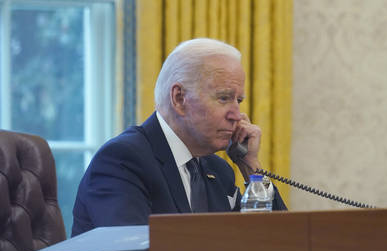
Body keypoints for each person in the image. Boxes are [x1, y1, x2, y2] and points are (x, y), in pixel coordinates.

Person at [71, 38, 287, 237]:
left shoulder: (218, 171)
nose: (236, 115)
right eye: (223, 98)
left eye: (238, 100)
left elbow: (275, 240)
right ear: (179, 98)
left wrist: (250, 166)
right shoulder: (122, 161)